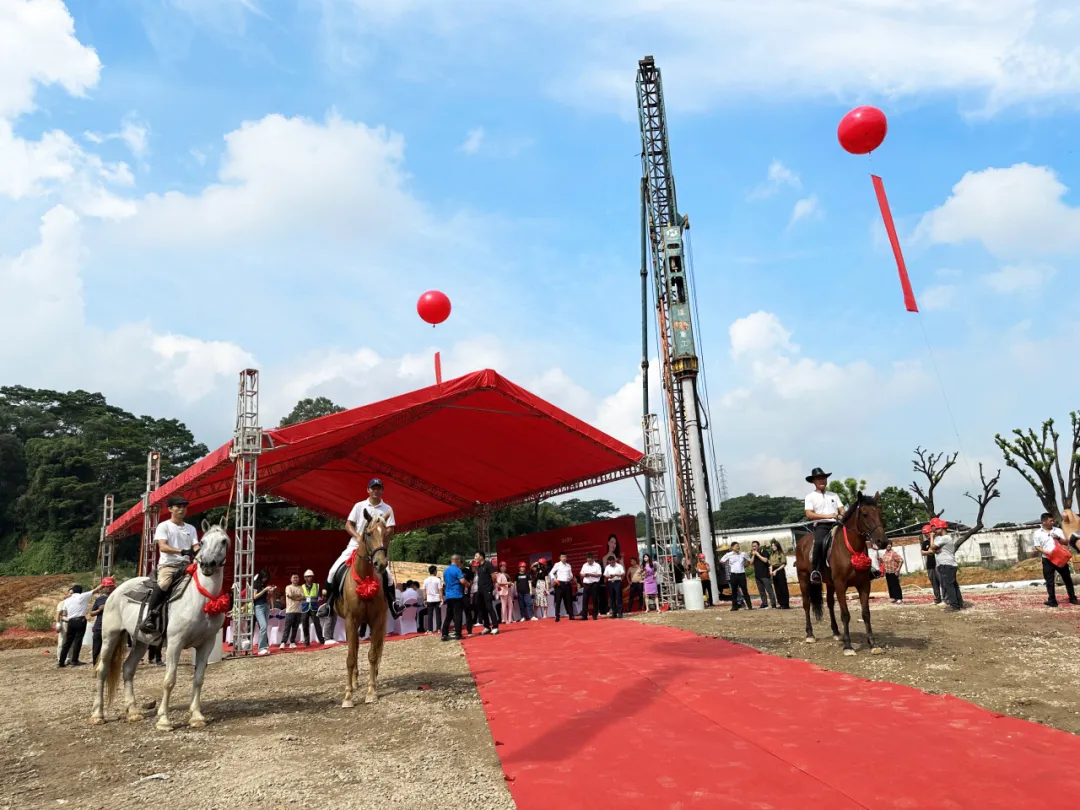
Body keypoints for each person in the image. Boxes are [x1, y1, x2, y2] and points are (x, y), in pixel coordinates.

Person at [326, 478, 401, 622]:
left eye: (378, 488)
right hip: (355, 544)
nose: (375, 491)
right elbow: (348, 525)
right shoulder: (359, 506)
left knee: (389, 576)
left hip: (375, 547)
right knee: (333, 571)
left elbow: (391, 528)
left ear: (382, 490)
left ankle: (393, 604)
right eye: (373, 488)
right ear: (368, 490)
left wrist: (382, 539)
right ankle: (328, 605)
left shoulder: (387, 508)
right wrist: (358, 537)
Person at [140, 495, 199, 633]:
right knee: (164, 584)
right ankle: (149, 616)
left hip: (187, 566)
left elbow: (195, 546)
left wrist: (200, 553)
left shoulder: (191, 528)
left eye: (184, 507)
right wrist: (183, 551)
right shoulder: (164, 526)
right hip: (169, 566)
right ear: (170, 509)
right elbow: (163, 547)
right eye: (178, 507)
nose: (182, 510)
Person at [803, 468, 845, 584]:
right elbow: (809, 514)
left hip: (837, 524)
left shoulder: (834, 495)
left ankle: (868, 567)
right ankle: (816, 570)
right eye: (819, 478)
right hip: (822, 526)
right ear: (814, 481)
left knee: (855, 536)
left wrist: (842, 516)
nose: (822, 480)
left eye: (823, 478)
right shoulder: (810, 496)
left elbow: (842, 510)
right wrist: (828, 515)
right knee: (820, 542)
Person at [1032, 512, 1078, 608]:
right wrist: (1046, 552)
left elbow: (1066, 542)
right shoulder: (1037, 533)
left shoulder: (1058, 530)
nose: (1052, 522)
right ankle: (1052, 600)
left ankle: (1073, 598)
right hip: (1047, 559)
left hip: (1060, 559)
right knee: (1049, 581)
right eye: (1050, 521)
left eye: (1053, 520)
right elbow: (1037, 546)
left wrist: (1058, 538)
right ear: (1044, 521)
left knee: (1067, 579)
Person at [58, 583, 102, 667]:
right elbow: (96, 589)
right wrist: (104, 582)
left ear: (73, 591)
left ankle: (61, 661)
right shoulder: (83, 596)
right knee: (78, 641)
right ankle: (74, 660)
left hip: (71, 621)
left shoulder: (67, 600)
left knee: (68, 642)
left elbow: (65, 612)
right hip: (80, 620)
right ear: (81, 591)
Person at [928, 518, 962, 611]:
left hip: (946, 565)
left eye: (936, 529)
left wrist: (931, 537)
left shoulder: (945, 538)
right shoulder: (945, 539)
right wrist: (935, 549)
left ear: (941, 528)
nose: (934, 531)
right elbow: (933, 550)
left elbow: (932, 547)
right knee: (953, 585)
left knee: (949, 586)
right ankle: (959, 603)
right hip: (948, 565)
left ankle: (954, 606)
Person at [89, 577, 115, 665]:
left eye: (110, 586)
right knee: (96, 649)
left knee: (111, 649)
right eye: (107, 586)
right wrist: (99, 610)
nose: (108, 588)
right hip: (99, 627)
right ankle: (95, 666)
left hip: (112, 628)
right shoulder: (99, 599)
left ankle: (110, 667)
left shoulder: (116, 598)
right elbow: (91, 613)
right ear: (103, 588)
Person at [440, 555, 466, 641]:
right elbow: (462, 581)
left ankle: (444, 633)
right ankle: (458, 633)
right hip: (457, 594)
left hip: (448, 595)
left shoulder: (446, 571)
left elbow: (445, 582)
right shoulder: (457, 569)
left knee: (449, 615)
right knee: (457, 615)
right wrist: (467, 583)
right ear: (457, 560)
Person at [473, 552, 500, 635]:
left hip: (487, 590)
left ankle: (495, 627)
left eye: (476, 556)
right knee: (482, 609)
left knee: (489, 608)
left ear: (481, 557)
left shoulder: (488, 565)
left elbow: (494, 577)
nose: (475, 557)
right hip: (480, 591)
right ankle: (487, 627)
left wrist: (493, 588)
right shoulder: (479, 567)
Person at [721, 543, 752, 611]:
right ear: (732, 547)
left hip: (742, 574)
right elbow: (721, 560)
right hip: (734, 574)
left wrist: (746, 565)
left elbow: (750, 560)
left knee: (745, 590)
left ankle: (749, 606)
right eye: (736, 546)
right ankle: (734, 606)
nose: (738, 547)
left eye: (738, 546)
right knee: (734, 591)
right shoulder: (729, 554)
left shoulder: (743, 554)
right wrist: (728, 564)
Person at [252, 569, 275, 655]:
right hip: (258, 607)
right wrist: (265, 590)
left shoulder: (264, 585)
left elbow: (267, 598)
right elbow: (255, 597)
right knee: (263, 626)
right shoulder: (256, 584)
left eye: (266, 577)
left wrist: (269, 593)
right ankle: (261, 648)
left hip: (266, 606)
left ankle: (264, 646)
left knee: (265, 626)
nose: (265, 579)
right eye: (264, 577)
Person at [279, 573, 303, 650]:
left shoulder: (301, 587)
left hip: (298, 611)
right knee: (287, 627)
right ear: (291, 579)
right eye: (294, 577)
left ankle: (292, 642)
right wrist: (298, 597)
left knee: (295, 627)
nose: (296, 579)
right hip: (290, 610)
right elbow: (289, 595)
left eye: (297, 577)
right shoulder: (288, 587)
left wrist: (294, 596)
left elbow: (303, 597)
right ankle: (283, 642)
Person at [300, 570, 324, 646]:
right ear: (305, 578)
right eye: (307, 577)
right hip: (304, 608)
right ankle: (306, 643)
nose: (309, 578)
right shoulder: (302, 587)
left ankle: (321, 640)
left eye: (310, 576)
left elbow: (321, 596)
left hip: (314, 608)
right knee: (305, 626)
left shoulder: (317, 586)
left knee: (317, 625)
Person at [920, 525, 942, 604]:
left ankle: (946, 598)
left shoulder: (938, 541)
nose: (926, 535)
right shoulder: (925, 543)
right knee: (934, 583)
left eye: (927, 533)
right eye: (925, 534)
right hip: (930, 566)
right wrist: (929, 551)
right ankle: (937, 599)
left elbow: (936, 550)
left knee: (942, 582)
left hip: (939, 565)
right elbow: (922, 552)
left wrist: (930, 551)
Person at [549, 553, 575, 621]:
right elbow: (551, 573)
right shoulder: (557, 564)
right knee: (558, 601)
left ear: (566, 558)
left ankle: (571, 615)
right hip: (559, 584)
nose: (564, 558)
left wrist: (571, 576)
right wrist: (554, 579)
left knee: (569, 600)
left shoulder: (568, 565)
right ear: (560, 558)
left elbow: (571, 574)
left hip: (567, 584)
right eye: (562, 557)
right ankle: (557, 616)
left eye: (565, 557)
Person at [751, 542, 776, 609]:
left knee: (769, 590)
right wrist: (753, 555)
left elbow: (765, 560)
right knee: (761, 591)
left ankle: (773, 604)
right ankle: (764, 603)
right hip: (757, 576)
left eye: (755, 546)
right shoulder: (754, 554)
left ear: (758, 546)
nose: (754, 547)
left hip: (765, 575)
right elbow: (751, 563)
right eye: (753, 546)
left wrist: (757, 554)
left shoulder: (764, 552)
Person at [579, 552, 603, 620]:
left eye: (590, 560)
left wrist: (591, 574)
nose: (589, 562)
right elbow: (581, 573)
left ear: (593, 559)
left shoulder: (597, 565)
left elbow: (599, 574)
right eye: (587, 560)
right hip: (586, 584)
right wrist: (584, 575)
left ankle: (594, 615)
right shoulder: (584, 565)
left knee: (595, 599)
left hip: (594, 584)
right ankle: (584, 615)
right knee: (585, 600)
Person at [421, 565, 444, 634]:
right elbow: (440, 590)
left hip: (429, 599)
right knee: (438, 614)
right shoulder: (437, 579)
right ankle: (439, 629)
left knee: (430, 615)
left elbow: (424, 590)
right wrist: (441, 598)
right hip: (437, 599)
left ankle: (430, 629)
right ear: (434, 571)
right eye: (436, 570)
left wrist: (424, 599)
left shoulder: (425, 580)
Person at [768, 540, 790, 609]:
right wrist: (771, 571)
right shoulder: (772, 554)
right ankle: (780, 603)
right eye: (772, 546)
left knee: (783, 587)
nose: (773, 547)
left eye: (774, 546)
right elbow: (771, 564)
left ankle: (785, 604)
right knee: (777, 587)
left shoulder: (781, 553)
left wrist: (776, 570)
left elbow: (784, 564)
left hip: (780, 570)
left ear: (777, 546)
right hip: (774, 571)